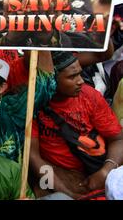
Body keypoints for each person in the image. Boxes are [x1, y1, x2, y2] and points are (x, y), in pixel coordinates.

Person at [30, 51, 123, 199]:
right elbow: (33, 157)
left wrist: (106, 171)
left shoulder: (89, 96)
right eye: (72, 77)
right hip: (50, 174)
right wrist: (67, 193)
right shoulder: (32, 103)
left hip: (94, 173)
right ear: (52, 79)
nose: (80, 81)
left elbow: (118, 139)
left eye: (80, 74)